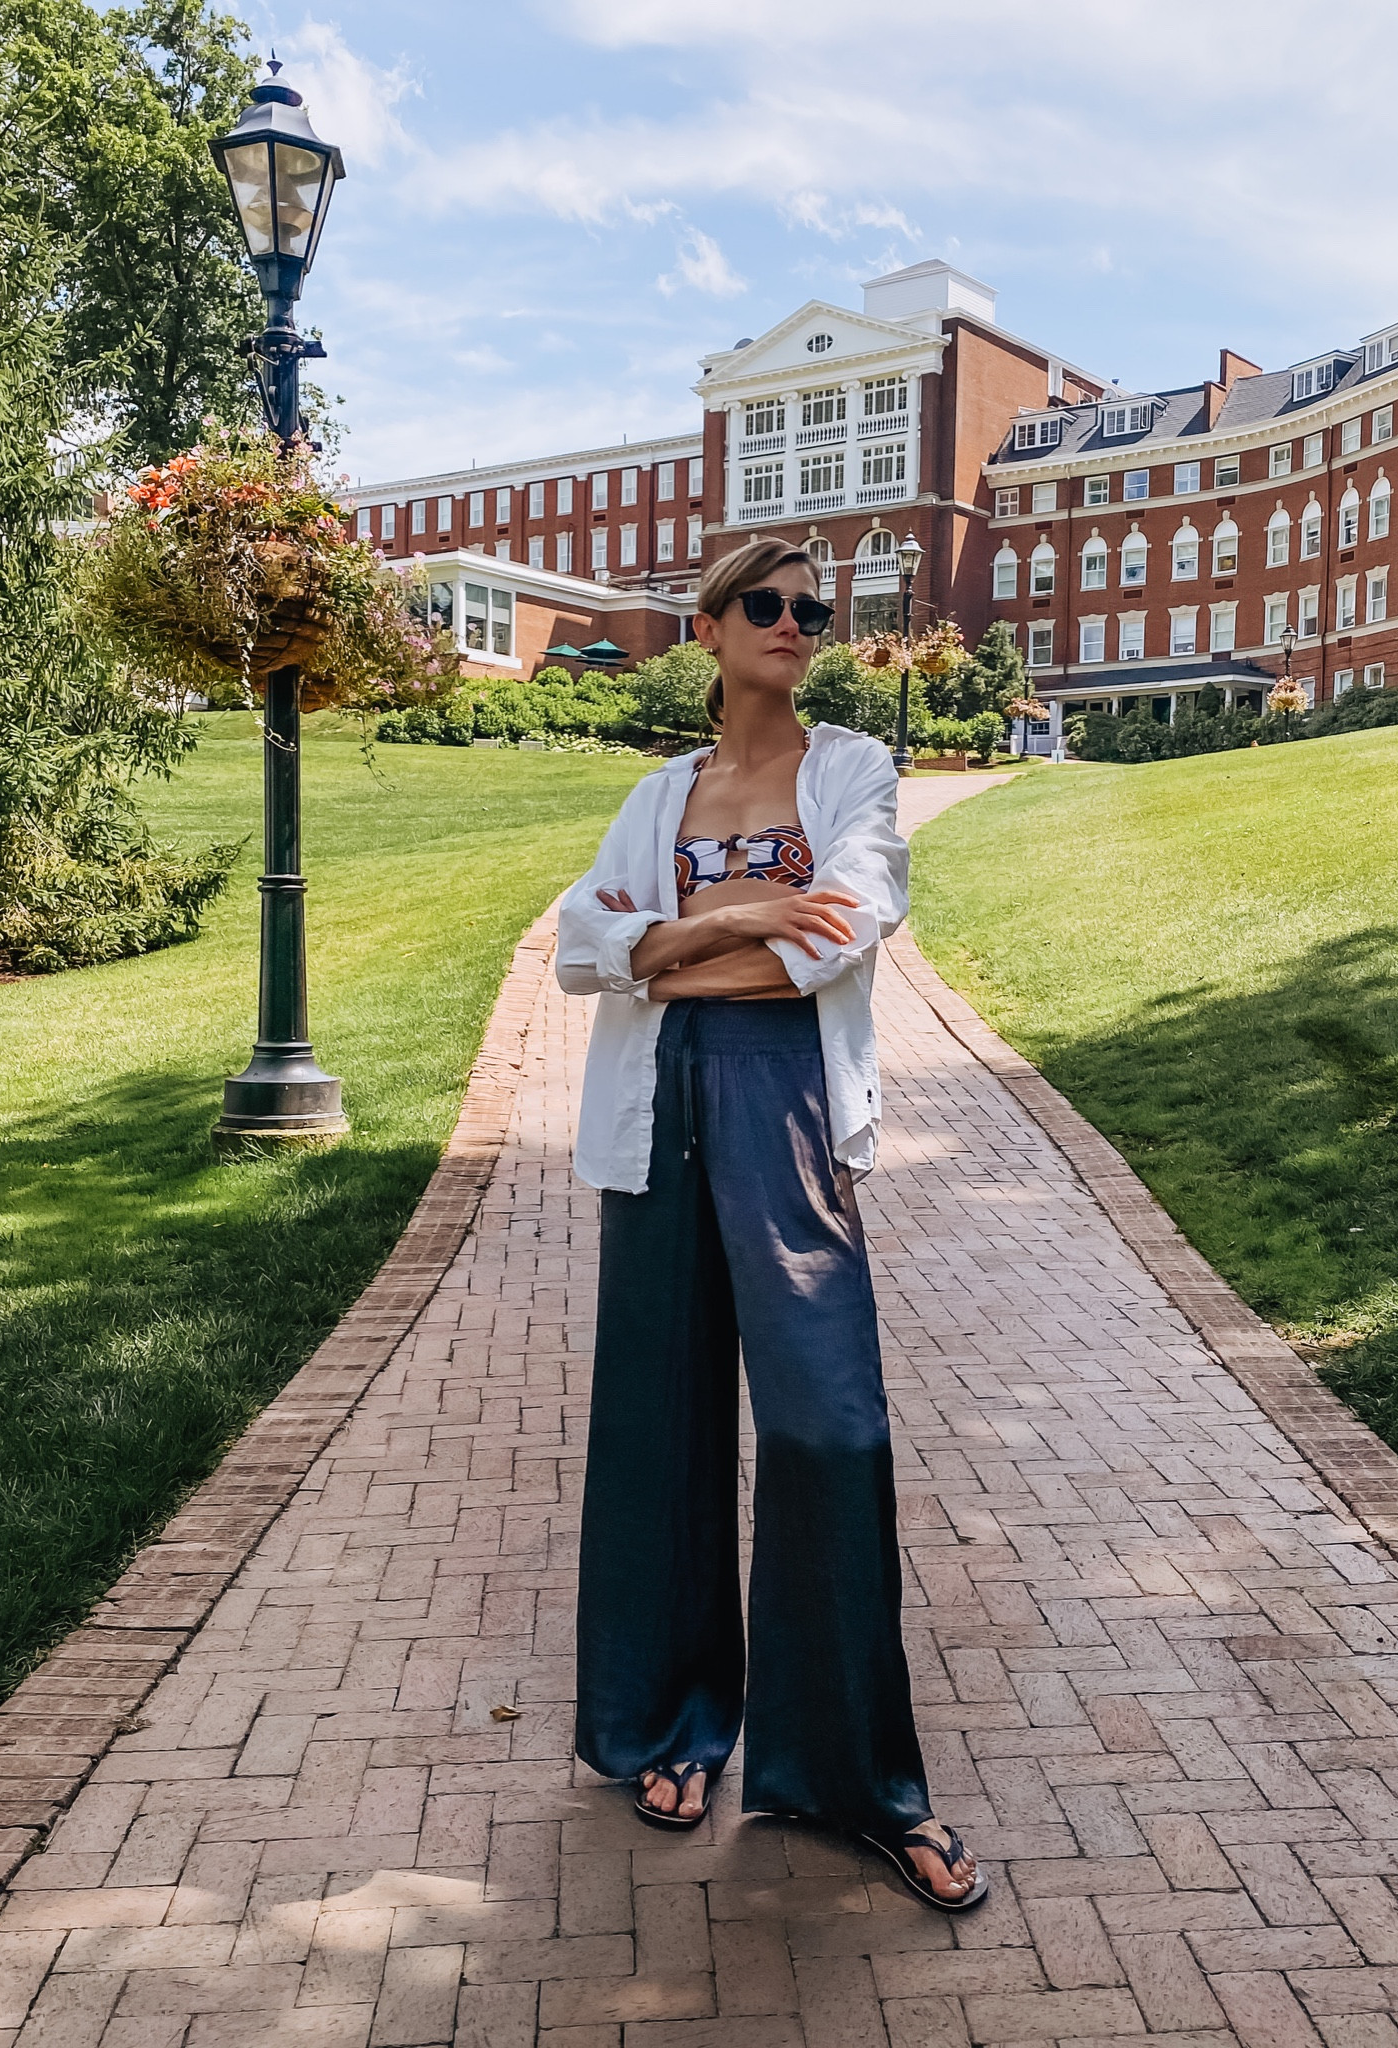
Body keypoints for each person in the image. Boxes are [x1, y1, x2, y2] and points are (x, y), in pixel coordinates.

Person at [555, 536, 985, 1912]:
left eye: (815, 609)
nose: (797, 623)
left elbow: (846, 924)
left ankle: (853, 1779)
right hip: (659, 1113)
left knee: (827, 1425)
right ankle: (672, 1726)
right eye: (769, 604)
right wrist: (703, 934)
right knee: (660, 1422)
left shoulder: (850, 769)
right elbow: (579, 940)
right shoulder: (658, 792)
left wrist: (671, 945)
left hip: (784, 1103)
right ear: (708, 624)